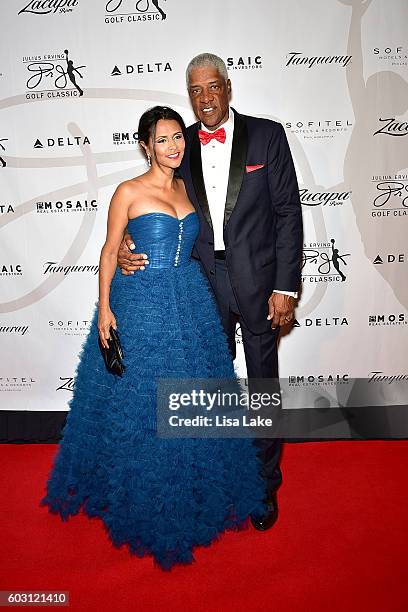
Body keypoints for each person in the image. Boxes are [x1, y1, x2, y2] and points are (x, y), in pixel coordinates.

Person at [40, 106, 266, 571]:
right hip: (141, 303)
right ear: (146, 145)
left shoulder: (189, 188)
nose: (173, 147)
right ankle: (142, 495)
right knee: (142, 403)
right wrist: (105, 308)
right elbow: (108, 250)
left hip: (189, 300)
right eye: (161, 140)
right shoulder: (128, 191)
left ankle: (199, 486)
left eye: (176, 138)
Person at [118, 53, 303, 531]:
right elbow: (157, 204)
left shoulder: (267, 134)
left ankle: (264, 485)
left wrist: (285, 285)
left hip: (262, 284)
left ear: (228, 86)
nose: (205, 99)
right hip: (202, 284)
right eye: (195, 91)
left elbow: (288, 214)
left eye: (212, 87)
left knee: (262, 385)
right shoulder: (182, 148)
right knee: (211, 385)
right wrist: (125, 245)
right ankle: (219, 476)